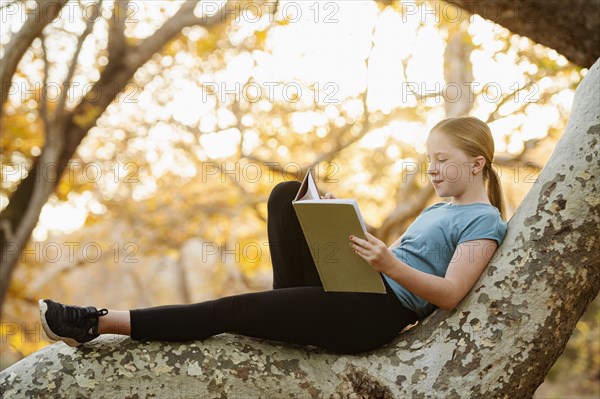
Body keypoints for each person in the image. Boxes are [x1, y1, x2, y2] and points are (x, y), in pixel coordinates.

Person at [39, 116, 508, 355]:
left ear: (477, 163)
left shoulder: (485, 222)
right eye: (429, 159)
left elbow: (449, 294)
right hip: (359, 285)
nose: (432, 169)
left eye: (442, 160)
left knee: (232, 310)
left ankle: (95, 322)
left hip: (374, 313)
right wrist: (350, 234)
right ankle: (289, 311)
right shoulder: (442, 207)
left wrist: (389, 264)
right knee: (288, 194)